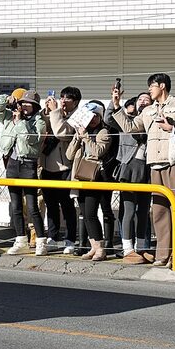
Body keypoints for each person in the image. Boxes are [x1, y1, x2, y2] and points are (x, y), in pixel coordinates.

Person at [111, 73, 175, 267]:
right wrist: (117, 106)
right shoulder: (148, 110)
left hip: (174, 162)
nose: (149, 90)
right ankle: (163, 254)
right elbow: (131, 127)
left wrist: (174, 127)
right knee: (159, 211)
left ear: (162, 86)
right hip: (154, 163)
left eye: (152, 86)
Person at [0, 90, 47, 255]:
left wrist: (21, 121)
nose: (24, 106)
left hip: (28, 164)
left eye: (28, 103)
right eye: (22, 103)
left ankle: (41, 242)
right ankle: (20, 239)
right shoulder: (10, 116)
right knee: (15, 206)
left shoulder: (39, 121)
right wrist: (6, 98)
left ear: (35, 106)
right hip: (12, 163)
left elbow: (30, 138)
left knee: (32, 206)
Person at [107, 92, 154, 264]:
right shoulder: (127, 120)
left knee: (143, 212)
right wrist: (115, 103)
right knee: (128, 210)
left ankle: (141, 248)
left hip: (147, 170)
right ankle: (127, 248)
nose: (143, 102)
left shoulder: (154, 119)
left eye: (146, 100)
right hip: (128, 169)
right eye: (140, 99)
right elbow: (109, 119)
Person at [66, 101, 114, 261]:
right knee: (85, 214)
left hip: (95, 177)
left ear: (100, 116)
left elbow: (98, 152)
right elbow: (69, 155)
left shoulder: (104, 132)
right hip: (80, 176)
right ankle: (94, 247)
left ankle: (100, 248)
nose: (92, 119)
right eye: (89, 116)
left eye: (95, 116)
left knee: (92, 214)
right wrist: (77, 137)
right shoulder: (82, 131)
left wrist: (86, 137)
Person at [41, 87, 81, 254]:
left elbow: (61, 133)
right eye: (62, 97)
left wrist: (56, 111)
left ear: (76, 101)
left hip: (65, 168)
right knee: (50, 204)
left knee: (67, 205)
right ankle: (52, 235)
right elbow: (45, 126)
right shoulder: (56, 113)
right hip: (48, 166)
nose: (63, 100)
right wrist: (46, 111)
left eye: (68, 98)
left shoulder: (79, 116)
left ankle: (70, 239)